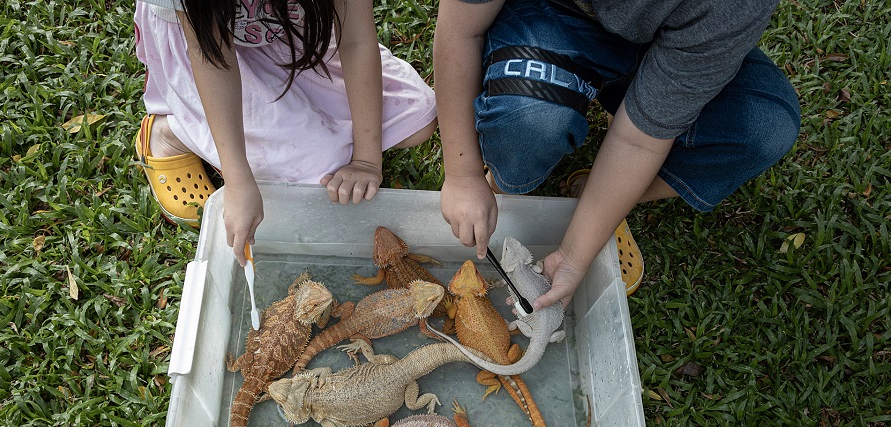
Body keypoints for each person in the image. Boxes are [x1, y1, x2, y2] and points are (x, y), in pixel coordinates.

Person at [433, 0, 800, 308]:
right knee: (529, 125)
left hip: (671, 46)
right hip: (551, 13)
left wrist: (573, 258)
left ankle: (598, 196)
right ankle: (502, 179)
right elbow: (460, 32)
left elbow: (638, 140)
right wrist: (463, 176)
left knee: (765, 128)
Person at [134, 0, 437, 264]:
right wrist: (239, 180)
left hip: (285, 32)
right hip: (206, 49)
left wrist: (367, 160)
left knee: (417, 117)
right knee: (316, 166)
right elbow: (212, 59)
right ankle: (170, 132)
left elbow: (356, 39)